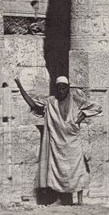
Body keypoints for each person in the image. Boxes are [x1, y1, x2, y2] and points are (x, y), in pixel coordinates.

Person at [14, 75, 102, 205]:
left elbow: (96, 107)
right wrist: (20, 86)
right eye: (59, 88)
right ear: (56, 90)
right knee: (58, 170)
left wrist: (82, 116)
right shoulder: (50, 102)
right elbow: (32, 104)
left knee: (77, 169)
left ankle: (80, 200)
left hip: (73, 141)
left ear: (68, 89)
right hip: (57, 142)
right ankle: (59, 199)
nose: (61, 91)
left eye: (64, 88)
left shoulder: (76, 100)